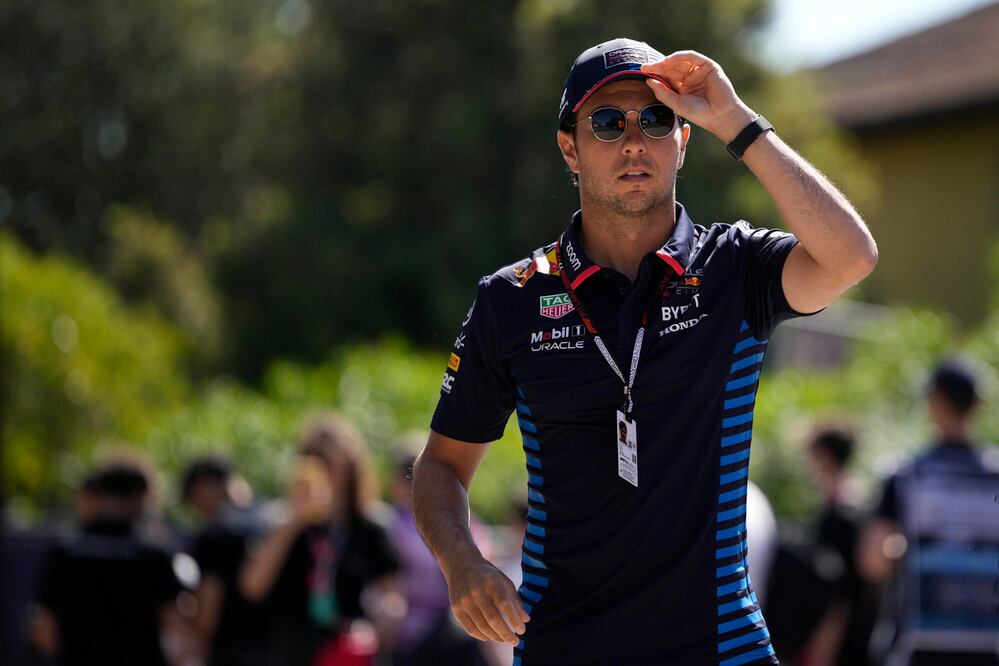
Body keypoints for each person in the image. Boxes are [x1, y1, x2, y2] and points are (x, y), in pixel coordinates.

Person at [412, 38, 877, 665]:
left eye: (656, 118)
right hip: (562, 650)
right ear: (570, 149)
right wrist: (460, 561)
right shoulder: (512, 298)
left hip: (723, 651)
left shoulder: (733, 266)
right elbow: (440, 467)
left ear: (682, 140)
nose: (634, 141)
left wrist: (735, 121)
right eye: (607, 123)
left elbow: (851, 257)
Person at [859, 360, 999, 666]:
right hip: (987, 645)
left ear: (935, 401)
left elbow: (873, 563)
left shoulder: (906, 476)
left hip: (916, 645)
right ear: (978, 405)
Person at [240, 413, 402, 666]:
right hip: (291, 649)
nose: (323, 468)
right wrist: (294, 519)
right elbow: (252, 587)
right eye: (312, 457)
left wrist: (379, 624)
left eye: (330, 458)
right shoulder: (282, 520)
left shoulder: (370, 527)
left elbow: (391, 594)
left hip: (348, 650)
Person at [28, 458, 197, 666]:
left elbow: (43, 627)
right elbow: (176, 627)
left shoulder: (66, 551)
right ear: (140, 496)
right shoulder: (154, 553)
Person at [181, 455, 271, 666]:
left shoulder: (215, 535)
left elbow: (209, 605)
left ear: (202, 488)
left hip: (232, 651)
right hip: (278, 648)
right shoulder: (270, 520)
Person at [799, 423, 876, 665]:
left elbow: (841, 590)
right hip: (863, 628)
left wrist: (823, 648)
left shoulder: (839, 513)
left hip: (841, 637)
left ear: (824, 456)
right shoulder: (861, 500)